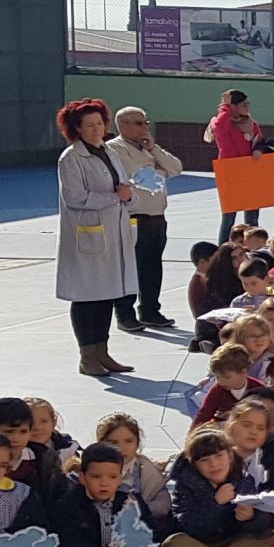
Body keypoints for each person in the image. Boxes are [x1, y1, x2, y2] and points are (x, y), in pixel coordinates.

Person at [54, 98, 141, 377]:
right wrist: (115, 197)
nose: (96, 129)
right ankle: (87, 355)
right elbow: (75, 198)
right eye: (89, 125)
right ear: (76, 129)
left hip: (113, 231)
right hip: (87, 235)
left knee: (107, 294)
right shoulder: (71, 158)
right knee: (86, 296)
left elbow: (123, 186)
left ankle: (102, 351)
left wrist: (128, 196)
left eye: (99, 123)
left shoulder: (109, 151)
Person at [105, 106, 182, 331]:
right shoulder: (115, 148)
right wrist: (158, 171)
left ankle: (150, 310)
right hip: (133, 217)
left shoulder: (148, 149)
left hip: (156, 216)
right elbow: (137, 176)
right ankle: (125, 314)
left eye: (146, 122)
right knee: (131, 267)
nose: (145, 127)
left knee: (152, 266)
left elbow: (176, 167)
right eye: (139, 123)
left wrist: (154, 150)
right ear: (123, 126)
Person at [207, 87, 265, 243]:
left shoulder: (250, 122)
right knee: (228, 218)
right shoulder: (222, 121)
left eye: (248, 104)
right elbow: (219, 128)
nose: (247, 107)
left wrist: (258, 149)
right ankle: (223, 249)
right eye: (243, 104)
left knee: (252, 218)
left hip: (249, 172)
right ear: (233, 106)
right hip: (230, 173)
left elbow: (260, 140)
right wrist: (226, 107)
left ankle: (253, 247)